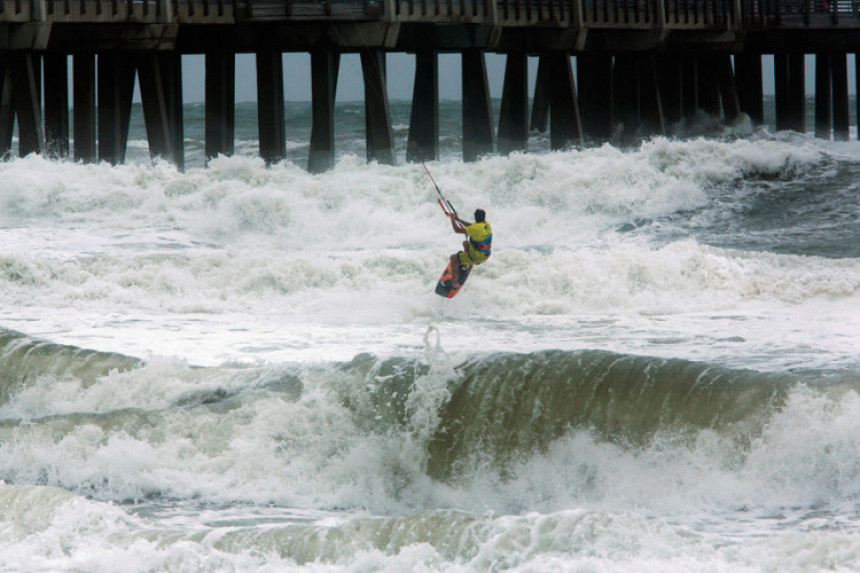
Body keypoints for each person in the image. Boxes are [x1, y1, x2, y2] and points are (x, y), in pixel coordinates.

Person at [448, 209, 492, 289]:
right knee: (465, 243)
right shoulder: (487, 225)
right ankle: (465, 267)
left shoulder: (475, 228)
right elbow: (472, 226)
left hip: (476, 258)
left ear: (475, 217)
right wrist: (458, 220)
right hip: (486, 255)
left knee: (453, 258)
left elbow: (457, 230)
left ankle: (454, 283)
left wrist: (452, 219)